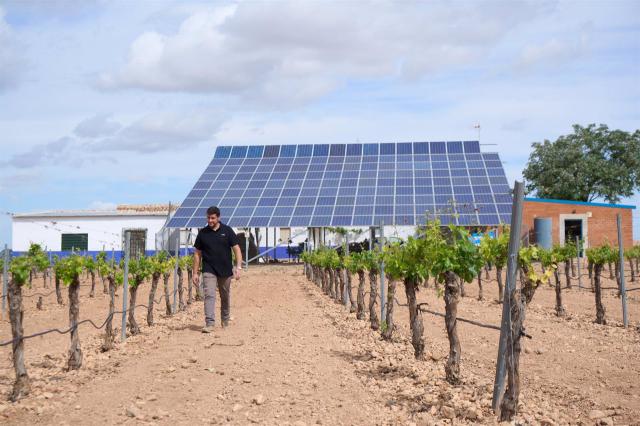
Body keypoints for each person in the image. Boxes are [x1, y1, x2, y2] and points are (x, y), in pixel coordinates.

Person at [192, 206, 242, 333]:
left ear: (218, 218)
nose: (210, 220)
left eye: (213, 218)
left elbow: (236, 249)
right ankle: (209, 323)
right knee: (209, 295)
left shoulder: (227, 230)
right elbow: (197, 254)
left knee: (224, 295)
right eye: (208, 218)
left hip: (225, 270)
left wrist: (238, 267)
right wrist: (195, 272)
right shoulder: (202, 233)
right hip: (209, 269)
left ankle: (225, 319)